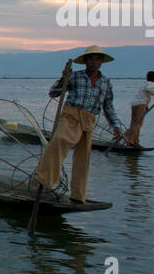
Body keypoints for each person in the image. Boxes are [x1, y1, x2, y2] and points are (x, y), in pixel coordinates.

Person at [32, 45, 124, 203]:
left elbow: (108, 107)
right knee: (59, 140)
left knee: (83, 159)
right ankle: (42, 179)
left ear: (101, 62)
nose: (94, 62)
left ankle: (77, 195)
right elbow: (53, 93)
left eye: (97, 59)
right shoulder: (75, 76)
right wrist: (63, 79)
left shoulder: (106, 82)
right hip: (70, 115)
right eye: (91, 59)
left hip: (88, 120)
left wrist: (115, 125)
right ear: (86, 61)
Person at [125, 70, 154, 148]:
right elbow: (149, 89)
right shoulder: (151, 84)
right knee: (138, 124)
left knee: (133, 123)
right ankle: (132, 141)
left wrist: (146, 106)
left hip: (134, 103)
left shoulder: (144, 84)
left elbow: (144, 95)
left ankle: (131, 140)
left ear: (147, 78)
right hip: (140, 104)